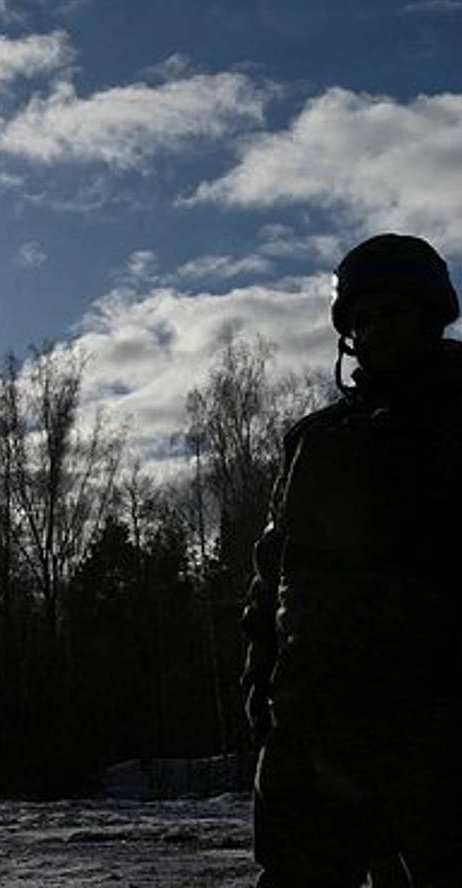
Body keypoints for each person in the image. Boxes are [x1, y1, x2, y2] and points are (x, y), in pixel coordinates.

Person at [242, 233, 462, 887]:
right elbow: (273, 576)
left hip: (440, 733)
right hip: (317, 732)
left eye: (392, 313)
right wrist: (264, 693)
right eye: (361, 318)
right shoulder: (318, 442)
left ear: (428, 316)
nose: (375, 330)